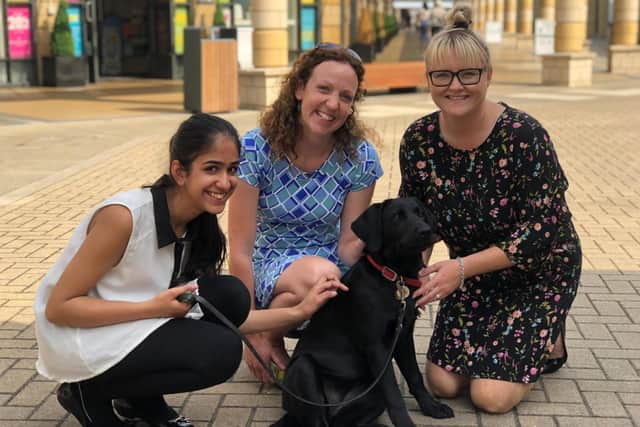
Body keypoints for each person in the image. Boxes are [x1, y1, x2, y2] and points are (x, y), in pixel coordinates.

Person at [33, 114, 346, 427]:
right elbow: (59, 308)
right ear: (179, 172)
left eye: (233, 169)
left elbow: (232, 319)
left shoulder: (197, 223)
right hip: (79, 337)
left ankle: (140, 399)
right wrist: (151, 308)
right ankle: (87, 391)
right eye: (212, 168)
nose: (225, 183)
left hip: (131, 323)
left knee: (231, 295)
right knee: (218, 353)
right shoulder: (124, 218)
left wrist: (301, 311)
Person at [398, 6, 582, 413]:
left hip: (538, 270)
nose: (455, 86)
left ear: (488, 75)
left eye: (468, 74)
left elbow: (543, 229)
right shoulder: (418, 140)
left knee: (490, 396)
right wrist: (412, 278)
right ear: (429, 80)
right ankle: (520, 339)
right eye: (442, 76)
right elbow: (419, 221)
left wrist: (459, 269)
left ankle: (550, 336)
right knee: (443, 384)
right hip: (473, 277)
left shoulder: (524, 135)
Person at [228, 43, 383, 384]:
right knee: (321, 275)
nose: (333, 104)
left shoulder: (360, 157)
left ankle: (272, 338)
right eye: (323, 89)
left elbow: (347, 244)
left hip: (329, 259)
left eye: (345, 96)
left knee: (329, 277)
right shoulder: (256, 148)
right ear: (299, 89)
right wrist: (248, 321)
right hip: (270, 259)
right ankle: (264, 334)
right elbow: (239, 248)